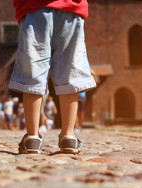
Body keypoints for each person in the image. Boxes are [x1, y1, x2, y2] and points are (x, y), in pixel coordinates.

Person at [9, 0, 96, 154]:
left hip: (35, 7)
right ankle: (68, 136)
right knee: (69, 70)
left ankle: (32, 138)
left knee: (33, 71)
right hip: (71, 7)